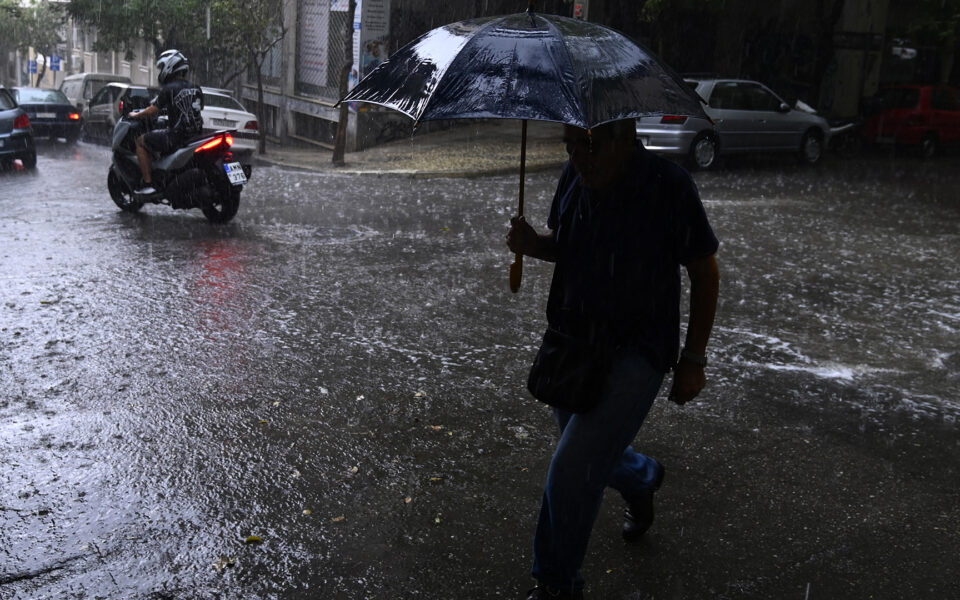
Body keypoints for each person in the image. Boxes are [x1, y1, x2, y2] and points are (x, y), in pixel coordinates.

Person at [506, 119, 720, 600]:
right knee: (585, 453)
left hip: (637, 351)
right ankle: (640, 476)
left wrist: (693, 359)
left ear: (625, 138)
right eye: (570, 146)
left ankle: (557, 585)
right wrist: (531, 245)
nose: (580, 157)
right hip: (575, 343)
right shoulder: (574, 176)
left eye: (590, 146)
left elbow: (705, 273)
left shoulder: (668, 186)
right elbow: (565, 246)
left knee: (572, 469)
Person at [130, 49, 204, 195]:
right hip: (196, 135)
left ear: (169, 67)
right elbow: (196, 108)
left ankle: (148, 183)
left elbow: (153, 110)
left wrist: (137, 115)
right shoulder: (196, 88)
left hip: (176, 137)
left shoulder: (169, 89)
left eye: (162, 67)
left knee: (140, 141)